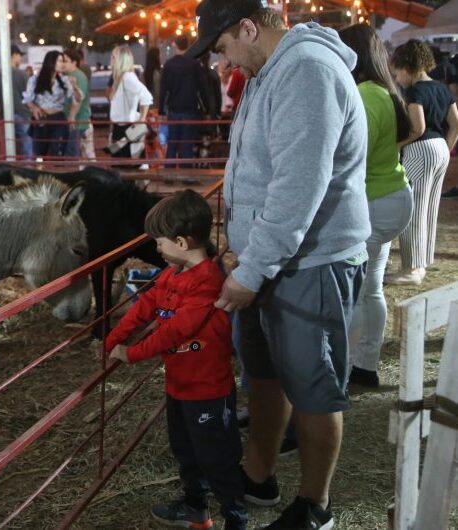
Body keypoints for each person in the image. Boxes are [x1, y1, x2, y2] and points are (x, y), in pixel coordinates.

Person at [193, 1, 370, 528]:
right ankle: (259, 474)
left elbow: (298, 184)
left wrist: (251, 269)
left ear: (249, 27)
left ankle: (316, 504)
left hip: (311, 258)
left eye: (224, 49)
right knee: (266, 373)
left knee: (311, 383)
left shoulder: (306, 70)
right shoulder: (274, 70)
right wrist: (246, 250)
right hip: (274, 256)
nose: (225, 63)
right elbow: (261, 170)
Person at [106, 190, 247, 530]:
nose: (157, 249)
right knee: (186, 450)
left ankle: (235, 517)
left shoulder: (208, 282)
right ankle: (197, 507)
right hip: (180, 385)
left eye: (159, 242)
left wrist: (131, 353)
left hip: (208, 390)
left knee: (217, 457)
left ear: (181, 243)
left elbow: (173, 333)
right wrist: (114, 337)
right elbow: (146, 305)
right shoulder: (173, 274)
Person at [337, 25, 414, 388]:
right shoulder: (384, 90)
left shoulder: (365, 94)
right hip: (391, 196)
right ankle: (364, 364)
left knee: (354, 290)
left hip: (374, 202)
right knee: (370, 288)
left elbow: (355, 153)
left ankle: (351, 364)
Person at [385, 40, 458, 285]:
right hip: (440, 149)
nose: (397, 78)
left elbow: (417, 128)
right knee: (430, 208)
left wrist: (395, 146)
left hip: (420, 149)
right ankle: (422, 263)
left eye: (397, 72)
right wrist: (446, 149)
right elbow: (456, 123)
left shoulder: (414, 92)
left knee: (413, 208)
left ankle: (411, 268)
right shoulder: (442, 89)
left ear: (407, 66)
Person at [159, 35, 213, 167]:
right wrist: (207, 110)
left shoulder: (168, 65)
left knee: (172, 143)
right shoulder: (194, 65)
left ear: (175, 45)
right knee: (187, 144)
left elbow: (163, 90)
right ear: (188, 45)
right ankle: (187, 175)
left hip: (173, 110)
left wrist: (161, 110)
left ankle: (169, 174)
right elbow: (202, 89)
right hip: (190, 109)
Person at [23, 51, 78, 158]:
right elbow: (27, 99)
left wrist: (75, 86)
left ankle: (57, 174)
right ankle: (40, 173)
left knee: (58, 154)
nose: (63, 64)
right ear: (51, 62)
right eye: (60, 61)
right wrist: (33, 107)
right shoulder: (34, 80)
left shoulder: (64, 80)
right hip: (41, 119)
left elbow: (77, 98)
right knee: (39, 155)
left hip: (59, 119)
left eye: (64, 61)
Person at [107, 45, 153, 161]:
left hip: (127, 129)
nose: (111, 60)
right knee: (122, 164)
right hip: (122, 128)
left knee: (124, 165)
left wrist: (142, 118)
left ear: (121, 59)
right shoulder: (121, 77)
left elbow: (146, 96)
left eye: (113, 57)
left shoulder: (127, 77)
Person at [0, 44, 33, 158]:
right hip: (23, 113)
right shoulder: (23, 74)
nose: (21, 58)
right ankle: (28, 168)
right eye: (19, 55)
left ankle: (9, 167)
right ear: (14, 55)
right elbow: (29, 95)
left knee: (7, 146)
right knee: (27, 144)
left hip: (4, 115)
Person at [63, 48, 93, 161]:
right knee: (76, 152)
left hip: (77, 122)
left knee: (72, 153)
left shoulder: (78, 76)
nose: (63, 64)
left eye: (65, 61)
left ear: (74, 62)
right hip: (76, 121)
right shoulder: (70, 76)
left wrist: (72, 116)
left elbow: (79, 99)